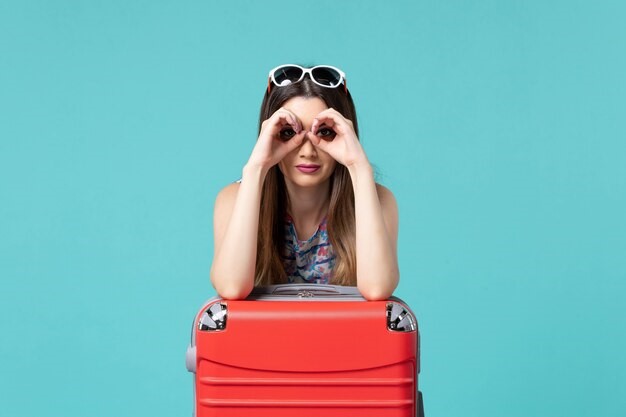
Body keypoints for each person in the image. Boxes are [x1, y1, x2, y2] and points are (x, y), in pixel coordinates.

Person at [210, 64, 399, 300]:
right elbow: (231, 287)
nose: (308, 151)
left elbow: (377, 289)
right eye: (288, 133)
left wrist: (359, 168)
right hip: (261, 337)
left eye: (325, 132)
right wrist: (257, 168)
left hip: (345, 337)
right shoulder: (233, 199)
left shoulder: (379, 200)